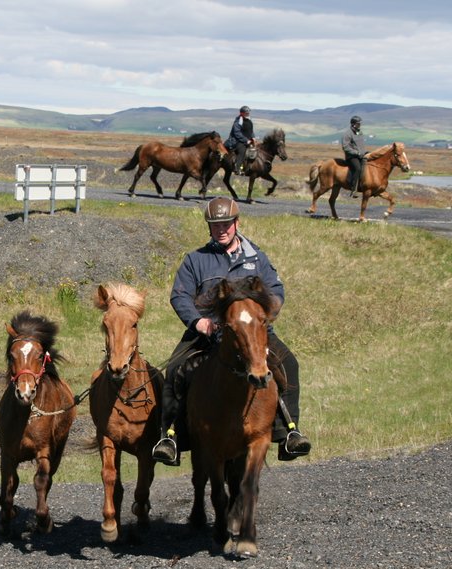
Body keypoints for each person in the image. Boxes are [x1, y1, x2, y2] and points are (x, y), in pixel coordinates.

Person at [151, 196, 312, 466]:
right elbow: (180, 296)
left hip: (253, 333)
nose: (221, 229)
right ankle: (171, 437)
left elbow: (275, 291)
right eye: (216, 225)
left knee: (289, 364)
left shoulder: (256, 258)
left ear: (236, 223)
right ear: (209, 227)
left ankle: (288, 433)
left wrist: (263, 317)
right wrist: (198, 322)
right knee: (176, 369)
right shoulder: (195, 260)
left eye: (226, 224)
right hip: (208, 333)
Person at [225, 105, 256, 176]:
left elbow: (251, 131)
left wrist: (253, 137)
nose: (248, 114)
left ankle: (249, 168)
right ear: (242, 113)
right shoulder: (238, 121)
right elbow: (237, 133)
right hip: (237, 141)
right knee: (242, 151)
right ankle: (237, 168)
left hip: (248, 140)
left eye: (248, 112)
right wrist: (246, 140)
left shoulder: (249, 120)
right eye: (246, 113)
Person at [342, 115, 367, 198]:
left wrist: (364, 152)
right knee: (358, 168)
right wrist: (356, 153)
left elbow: (360, 145)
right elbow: (345, 147)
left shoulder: (359, 132)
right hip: (351, 157)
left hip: (361, 155)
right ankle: (354, 190)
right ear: (353, 124)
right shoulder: (347, 134)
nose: (360, 125)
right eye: (358, 123)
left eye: (360, 123)